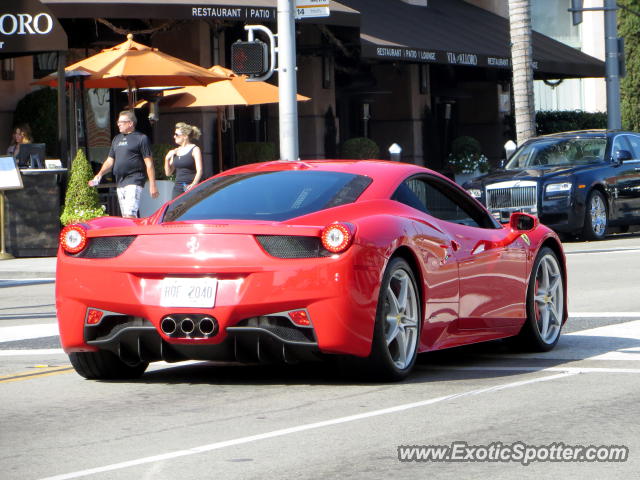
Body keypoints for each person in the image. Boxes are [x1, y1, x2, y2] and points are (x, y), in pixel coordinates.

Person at [88, 110, 158, 218]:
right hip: (120, 180)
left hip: (135, 179)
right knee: (125, 215)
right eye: (118, 122)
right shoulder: (116, 139)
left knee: (130, 213)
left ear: (130, 123)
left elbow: (149, 163)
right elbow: (110, 160)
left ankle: (132, 234)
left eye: (121, 122)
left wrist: (153, 185)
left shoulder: (141, 138)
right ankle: (133, 234)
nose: (118, 124)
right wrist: (100, 174)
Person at [164, 122, 203, 199]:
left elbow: (200, 170)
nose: (174, 136)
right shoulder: (176, 151)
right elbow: (168, 173)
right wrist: (166, 159)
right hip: (177, 189)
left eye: (176, 134)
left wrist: (193, 184)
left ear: (185, 136)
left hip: (191, 187)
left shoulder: (195, 149)